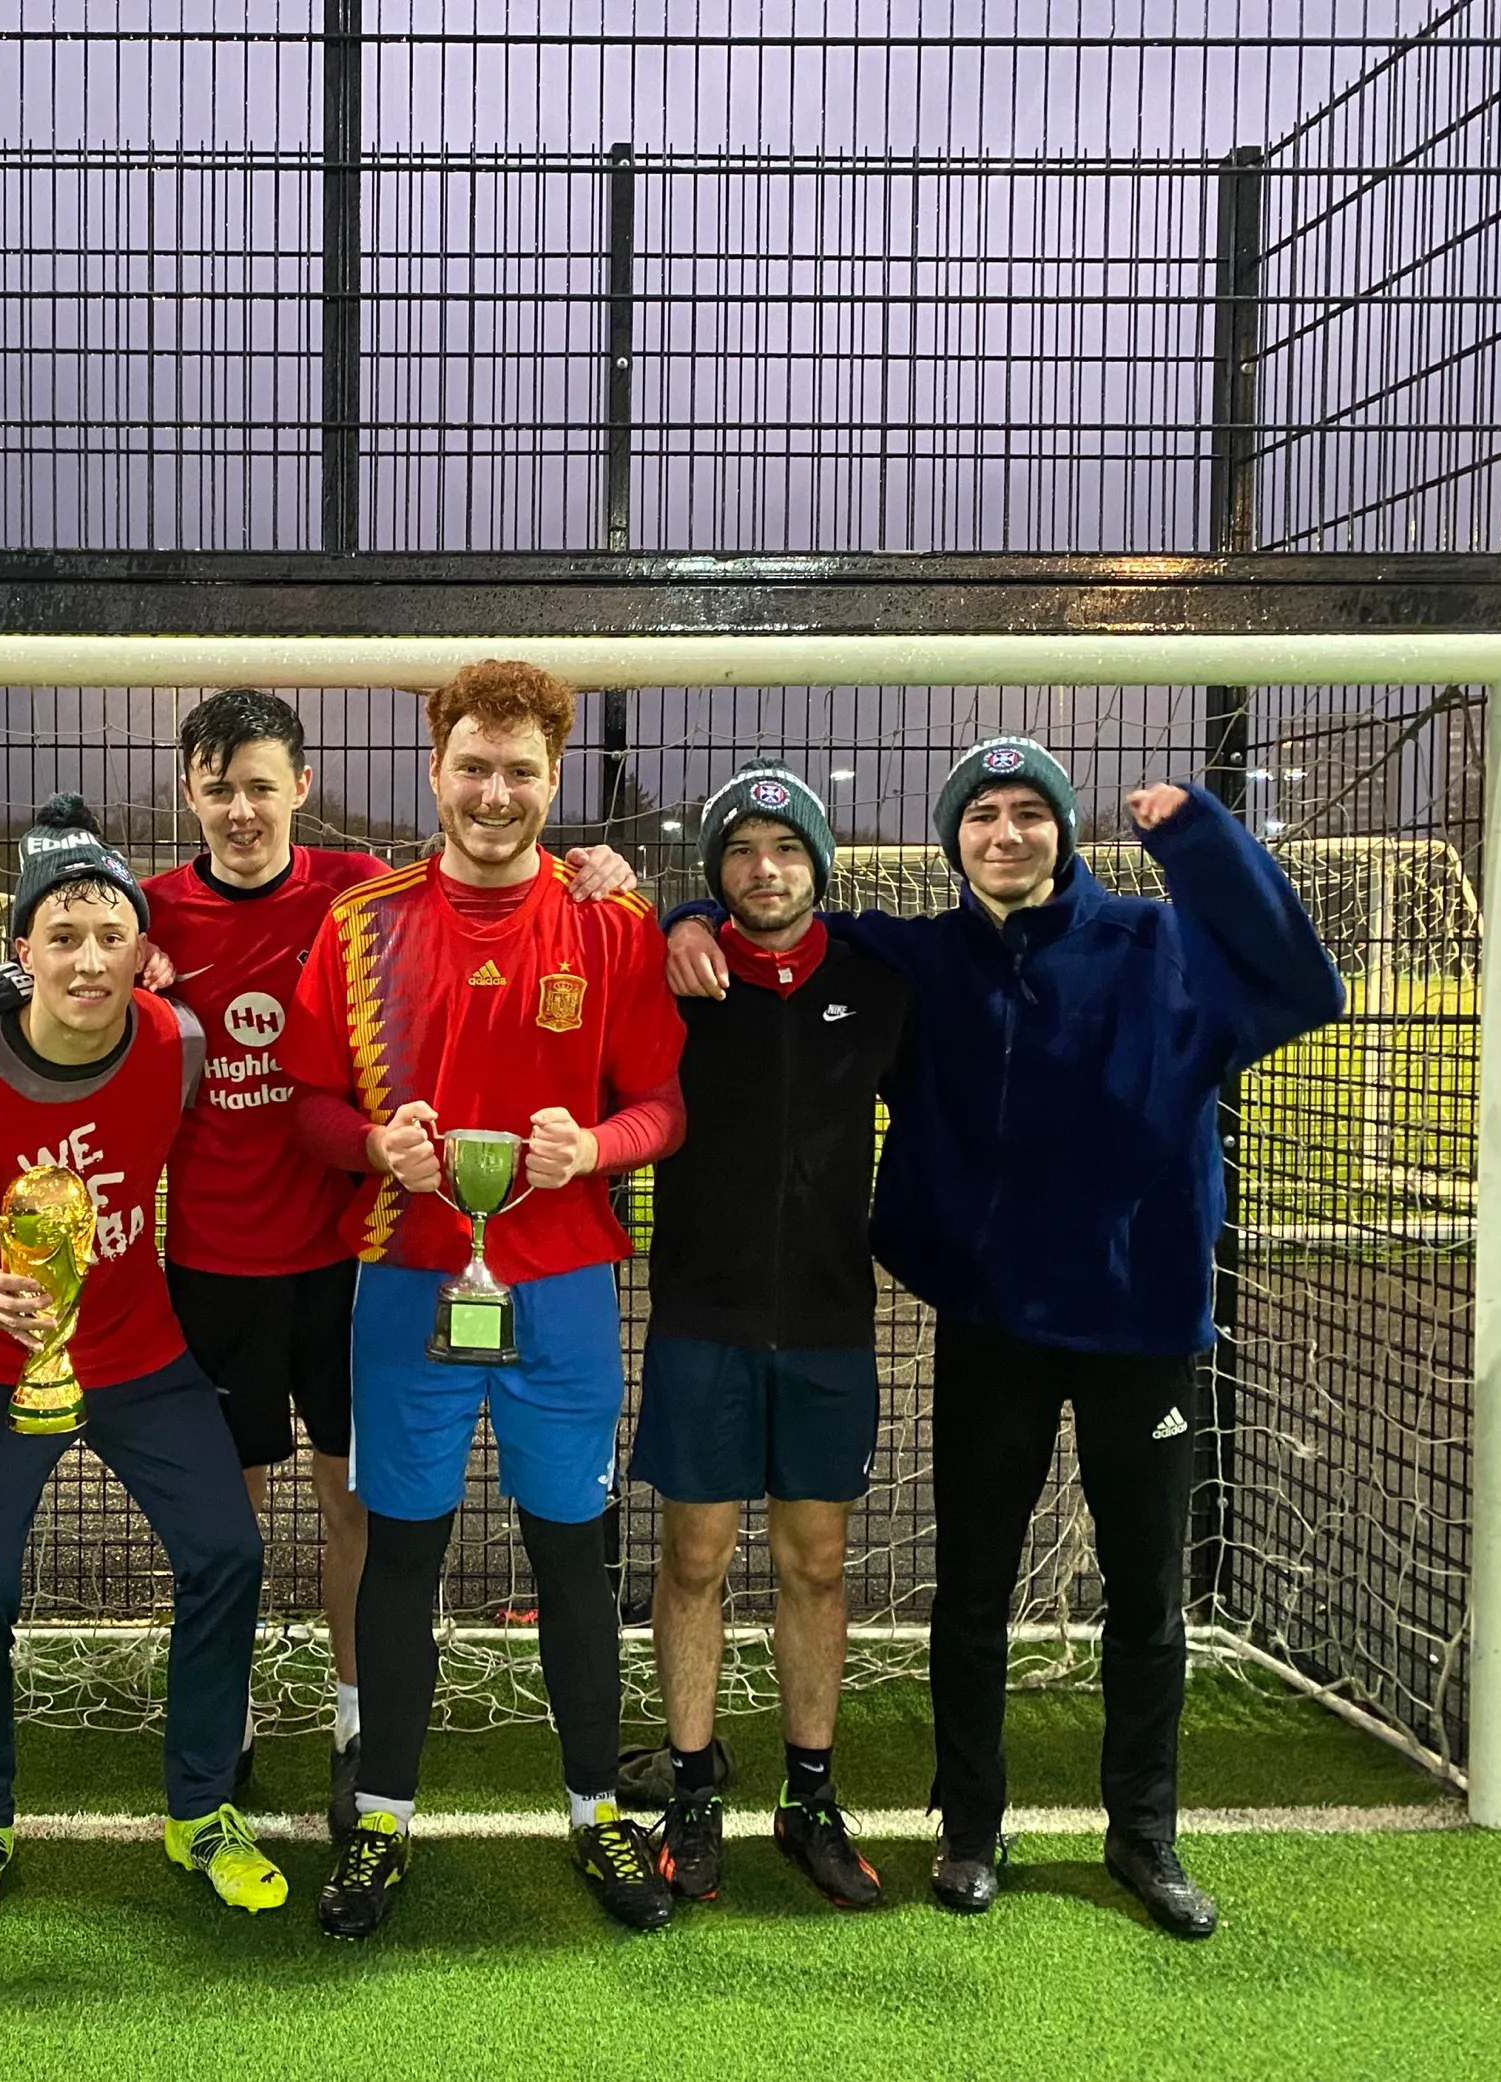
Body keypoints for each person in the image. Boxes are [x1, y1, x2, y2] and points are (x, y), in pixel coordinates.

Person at [663, 735, 1341, 1939]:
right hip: (990, 1324)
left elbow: (1304, 988)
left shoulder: (1161, 943)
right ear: (954, 842)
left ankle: (1143, 1834)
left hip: (1141, 1325)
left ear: (1063, 832)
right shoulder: (924, 957)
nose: (1005, 833)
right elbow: (779, 914)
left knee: (1147, 1595)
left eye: (1029, 813)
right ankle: (969, 1827)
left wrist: (1197, 836)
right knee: (971, 1590)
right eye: (981, 816)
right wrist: (683, 914)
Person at [139, 688, 641, 1827]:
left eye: (261, 786)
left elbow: (498, 895)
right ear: (189, 795)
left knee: (366, 1513)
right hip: (231, 1260)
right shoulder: (160, 913)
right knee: (227, 1522)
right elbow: (63, 930)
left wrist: (611, 873)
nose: (241, 809)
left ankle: (367, 1728)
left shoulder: (358, 890)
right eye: (218, 789)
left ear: (301, 788)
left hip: (364, 1262)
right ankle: (234, 1723)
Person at [279, 658, 687, 1939]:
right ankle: (380, 1818)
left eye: (519, 771)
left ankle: (595, 1810)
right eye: (473, 767)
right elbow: (307, 1106)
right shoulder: (360, 927)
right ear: (435, 770)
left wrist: (595, 1149)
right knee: (403, 1553)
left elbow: (662, 1108)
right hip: (408, 1281)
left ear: (554, 780)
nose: (494, 793)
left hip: (560, 1286)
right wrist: (372, 1146)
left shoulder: (611, 927)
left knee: (572, 1555)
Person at [0, 797, 281, 1932]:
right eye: (62, 937)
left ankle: (201, 1808)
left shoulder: (178, 1043)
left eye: (109, 937)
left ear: (142, 950)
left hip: (140, 1353)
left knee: (230, 1552)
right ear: (23, 952)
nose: (89, 961)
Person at [630, 761, 913, 1910]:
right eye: (740, 853)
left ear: (819, 867)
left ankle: (808, 1797)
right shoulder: (677, 983)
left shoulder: (876, 985)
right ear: (717, 874)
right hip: (702, 1318)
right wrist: (676, 921)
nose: (765, 869)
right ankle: (693, 1786)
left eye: (786, 848)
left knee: (817, 1564)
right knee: (694, 1559)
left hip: (831, 1323)